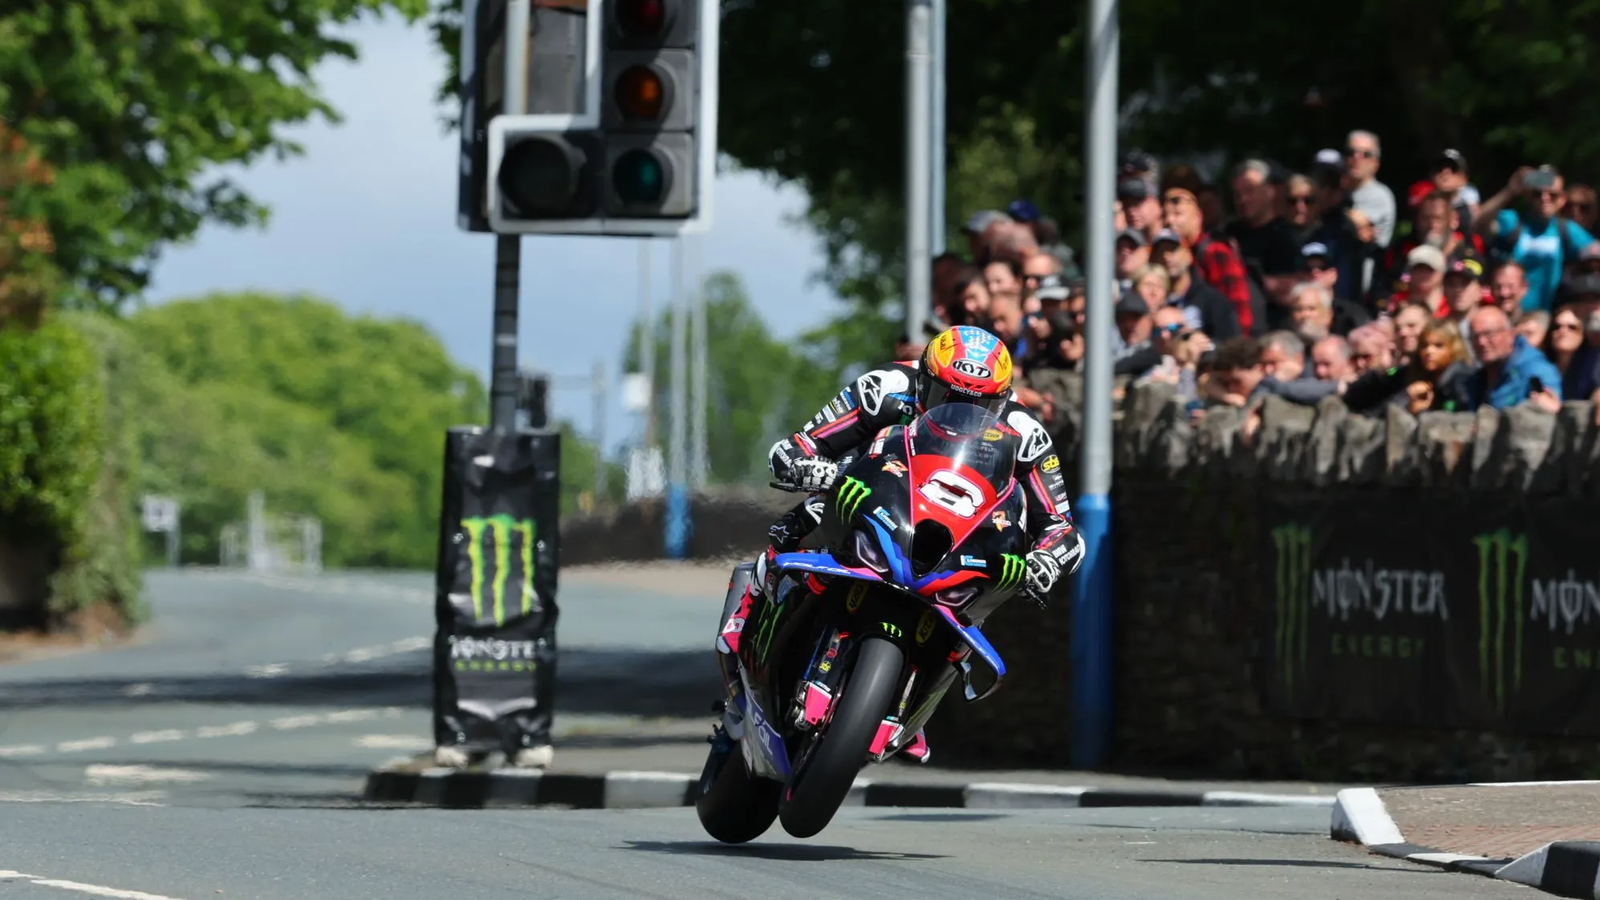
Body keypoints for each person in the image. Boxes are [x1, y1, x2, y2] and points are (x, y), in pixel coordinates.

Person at [716, 325, 1088, 762]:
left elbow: (1062, 527)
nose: (960, 412)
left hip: (955, 534)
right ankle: (749, 611)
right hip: (869, 502)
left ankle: (917, 705)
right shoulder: (886, 388)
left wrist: (1046, 559)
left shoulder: (1025, 433)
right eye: (948, 397)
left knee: (992, 582)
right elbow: (799, 445)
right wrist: (808, 466)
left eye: (980, 404)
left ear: (1002, 399)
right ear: (925, 380)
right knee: (807, 516)